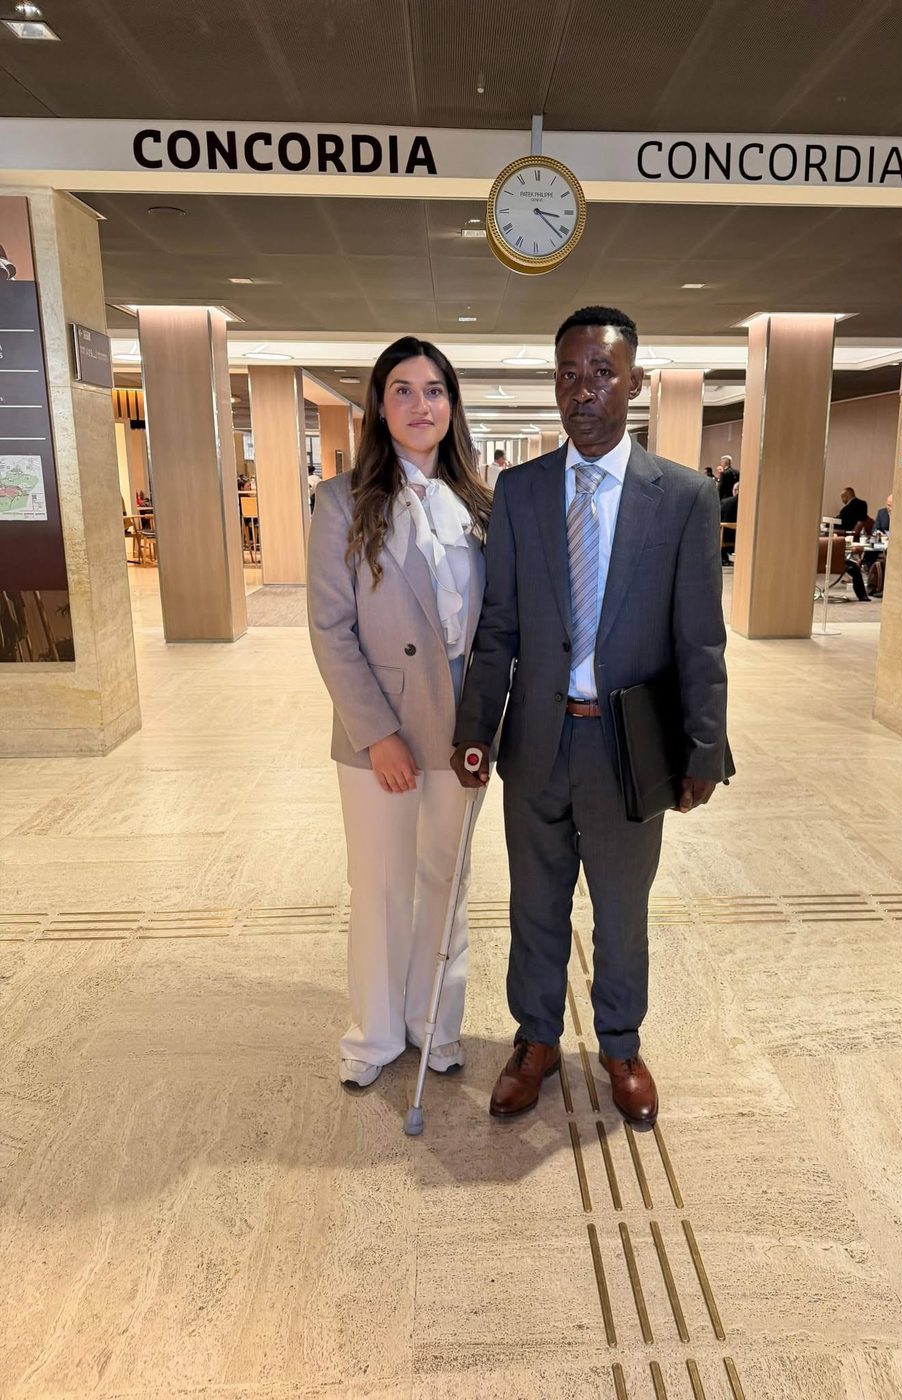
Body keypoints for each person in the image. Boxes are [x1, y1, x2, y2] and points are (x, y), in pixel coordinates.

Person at [451, 306, 732, 1129]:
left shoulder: (680, 497)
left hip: (628, 749)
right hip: (536, 742)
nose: (584, 390)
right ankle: (534, 1039)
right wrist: (475, 731)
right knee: (534, 902)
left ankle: (619, 1042)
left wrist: (705, 748)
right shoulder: (523, 491)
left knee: (620, 906)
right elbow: (498, 624)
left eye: (602, 373)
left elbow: (699, 639)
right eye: (569, 374)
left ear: (635, 383)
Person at [307, 337, 490, 1089]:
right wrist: (377, 733)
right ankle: (377, 1033)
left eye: (436, 390)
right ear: (380, 407)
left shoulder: (479, 504)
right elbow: (329, 626)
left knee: (446, 881)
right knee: (381, 881)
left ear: (452, 406)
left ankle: (433, 1025)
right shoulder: (342, 500)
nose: (423, 405)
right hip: (379, 721)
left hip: (462, 722)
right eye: (405, 391)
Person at [720, 481, 739, 565]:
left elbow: (718, 518)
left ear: (735, 490)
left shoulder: (725, 502)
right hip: (742, 538)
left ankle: (723, 558)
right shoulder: (750, 503)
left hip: (725, 537)